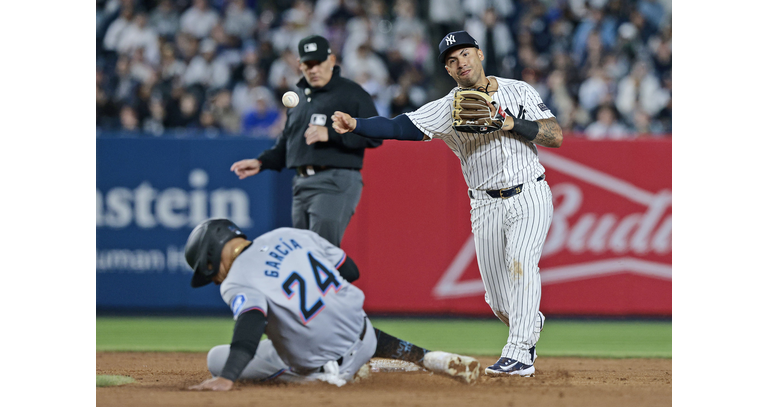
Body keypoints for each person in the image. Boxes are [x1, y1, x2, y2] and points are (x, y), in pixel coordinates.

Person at [331, 30, 563, 377]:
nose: (460, 62)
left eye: (465, 54)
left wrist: (509, 122)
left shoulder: (519, 90)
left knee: (522, 264)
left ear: (480, 54)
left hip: (529, 191)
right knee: (499, 301)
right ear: (449, 71)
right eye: (452, 61)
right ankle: (528, 323)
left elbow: (555, 135)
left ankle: (519, 355)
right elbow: (400, 126)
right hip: (484, 203)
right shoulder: (447, 108)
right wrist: (357, 125)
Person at [184, 218, 480, 390]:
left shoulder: (236, 278)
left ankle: (320, 379)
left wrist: (227, 378)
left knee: (216, 359)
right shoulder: (290, 234)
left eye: (206, 270)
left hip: (325, 366)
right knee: (337, 316)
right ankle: (425, 358)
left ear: (211, 257)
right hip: (363, 334)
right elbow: (350, 271)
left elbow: (250, 322)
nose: (212, 278)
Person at [230, 35, 382, 247]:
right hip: (302, 183)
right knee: (303, 257)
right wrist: (262, 162)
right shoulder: (299, 98)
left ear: (331, 61)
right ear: (299, 65)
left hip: (335, 180)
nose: (314, 69)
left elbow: (375, 134)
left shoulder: (351, 94)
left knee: (318, 254)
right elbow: (287, 143)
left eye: (318, 62)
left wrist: (331, 133)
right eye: (308, 64)